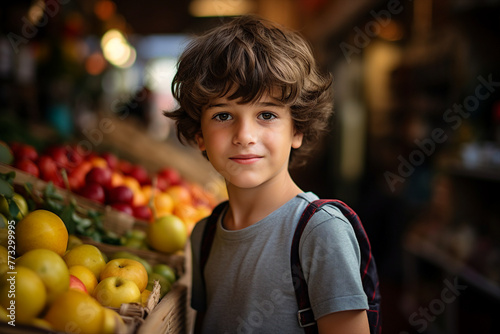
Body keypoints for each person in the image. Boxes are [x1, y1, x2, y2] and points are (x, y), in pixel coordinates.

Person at [165, 15, 370, 334]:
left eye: (266, 114)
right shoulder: (203, 236)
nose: (244, 135)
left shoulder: (320, 232)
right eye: (223, 115)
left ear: (297, 129)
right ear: (199, 135)